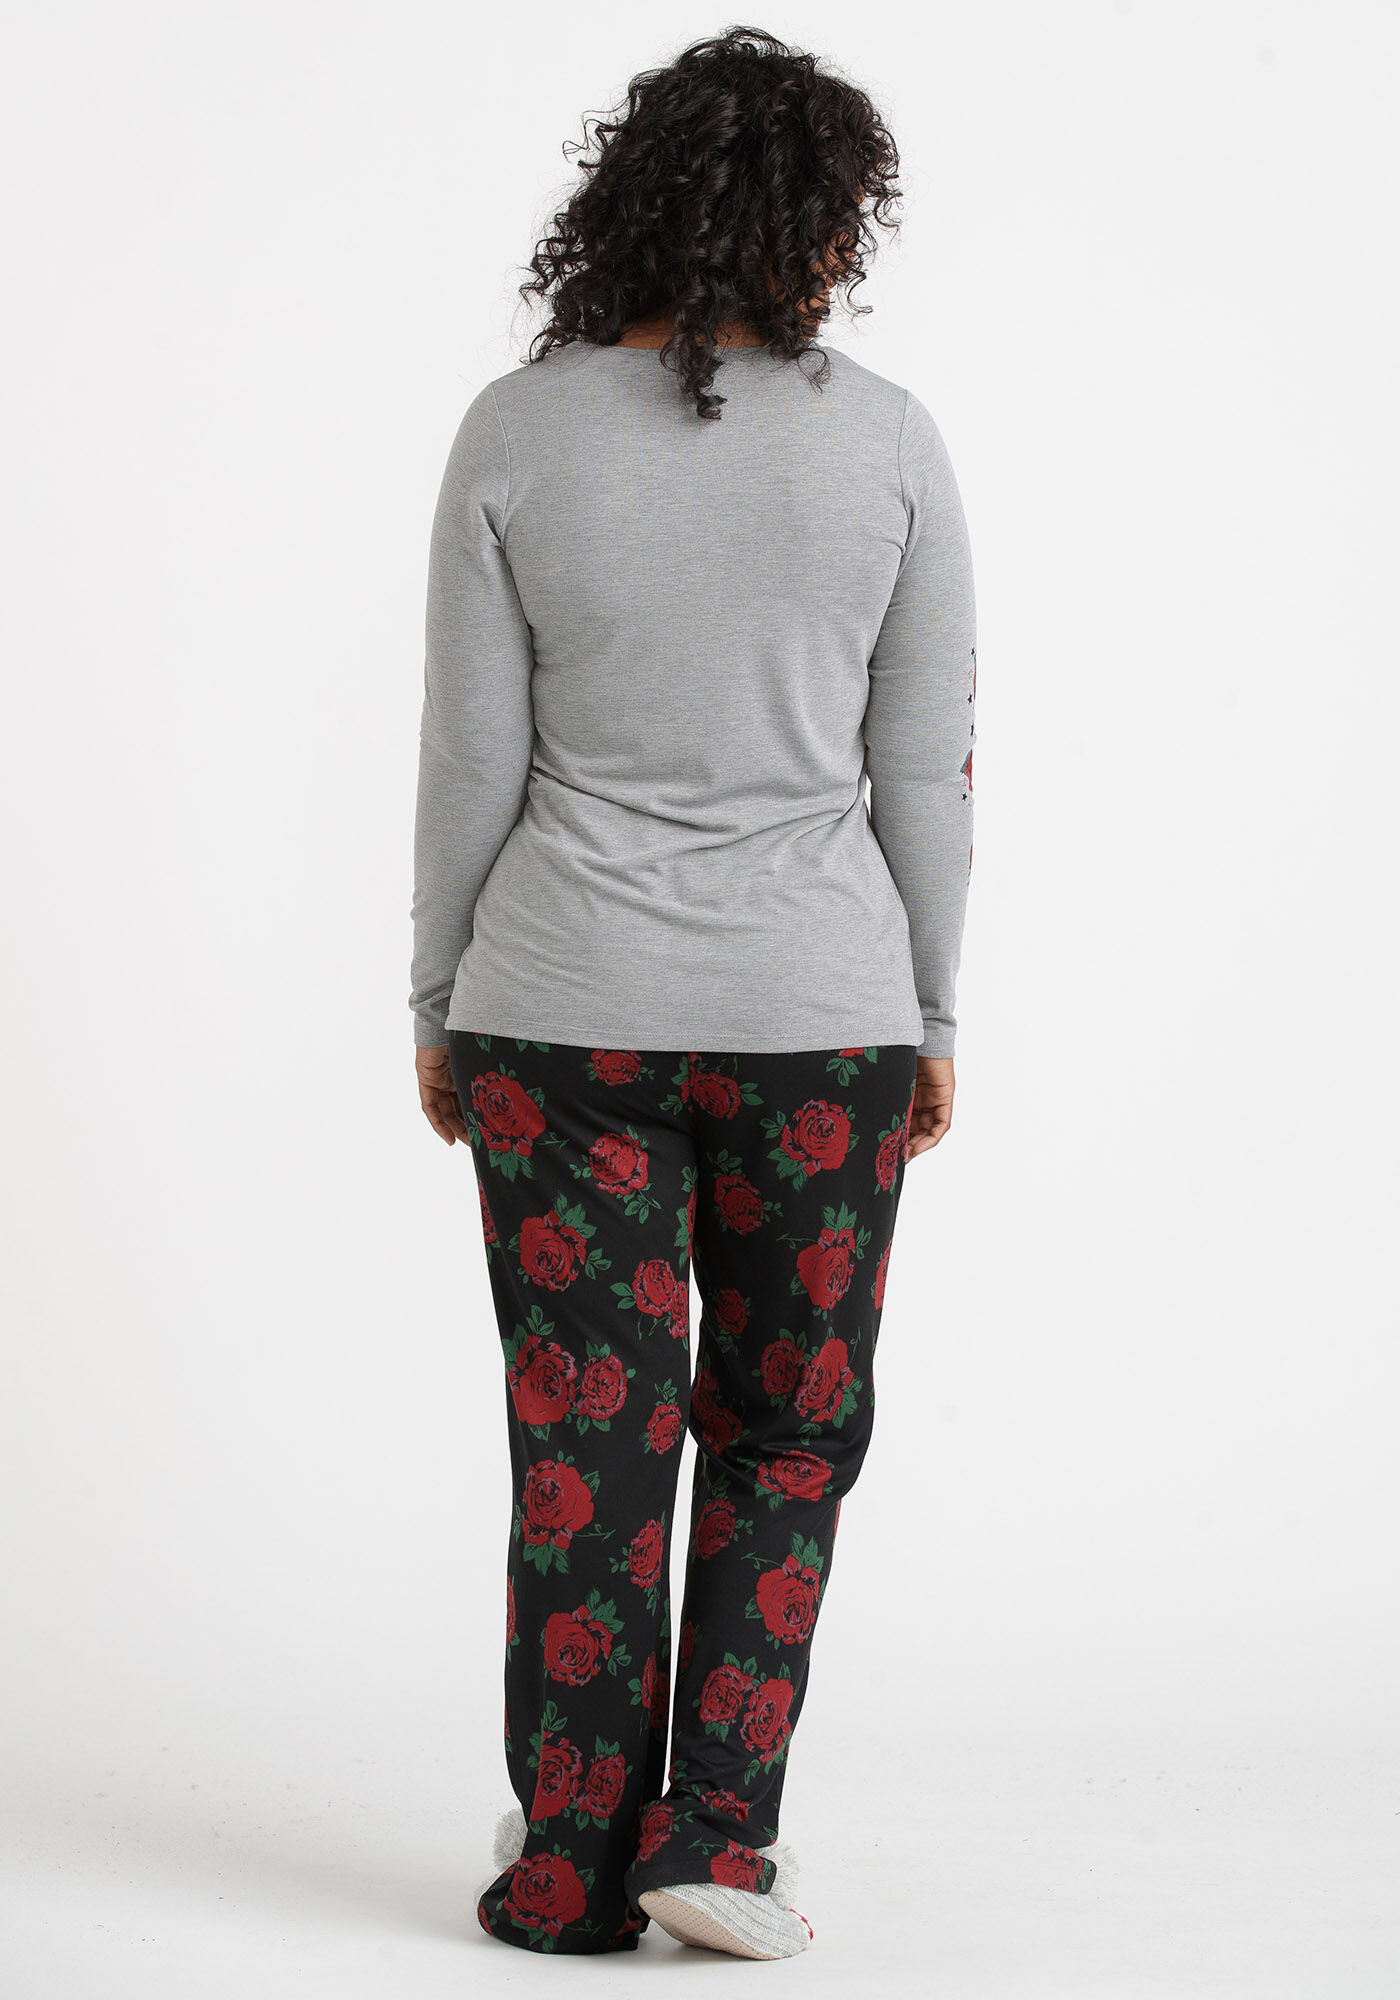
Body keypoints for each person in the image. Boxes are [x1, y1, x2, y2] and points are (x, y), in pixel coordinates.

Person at [408, 24, 976, 1961]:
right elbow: (923, 772)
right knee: (784, 1427)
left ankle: (568, 1857)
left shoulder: (516, 430)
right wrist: (933, 1014)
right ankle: (716, 1835)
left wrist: (438, 996)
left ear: (633, 200)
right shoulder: (886, 442)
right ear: (825, 222)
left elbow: (471, 761)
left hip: (558, 1012)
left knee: (591, 1434)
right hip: (821, 1020)